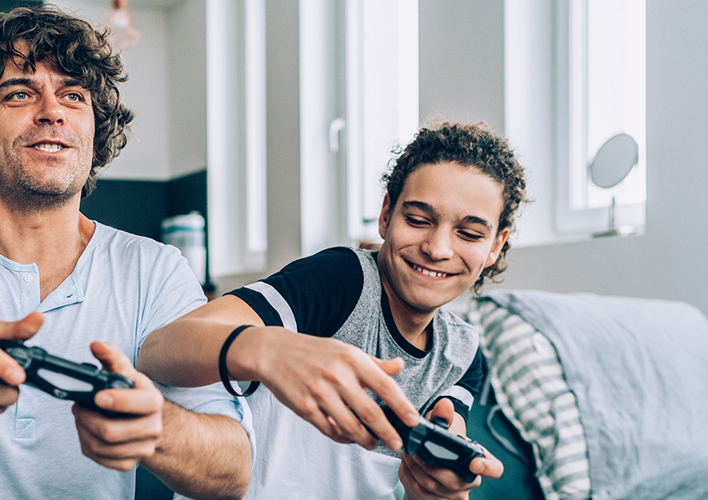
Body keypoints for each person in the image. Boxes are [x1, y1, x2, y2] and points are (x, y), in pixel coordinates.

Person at [0, 6, 252, 500]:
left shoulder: (155, 271)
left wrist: (156, 427)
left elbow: (233, 471)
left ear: (94, 132)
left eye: (73, 95)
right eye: (19, 92)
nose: (53, 110)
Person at [138, 122, 523, 499]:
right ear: (386, 215)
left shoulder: (462, 351)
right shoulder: (342, 280)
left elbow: (443, 440)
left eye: (470, 234)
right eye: (418, 220)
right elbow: (159, 350)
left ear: (495, 245)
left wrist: (438, 488)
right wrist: (268, 349)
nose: (438, 248)